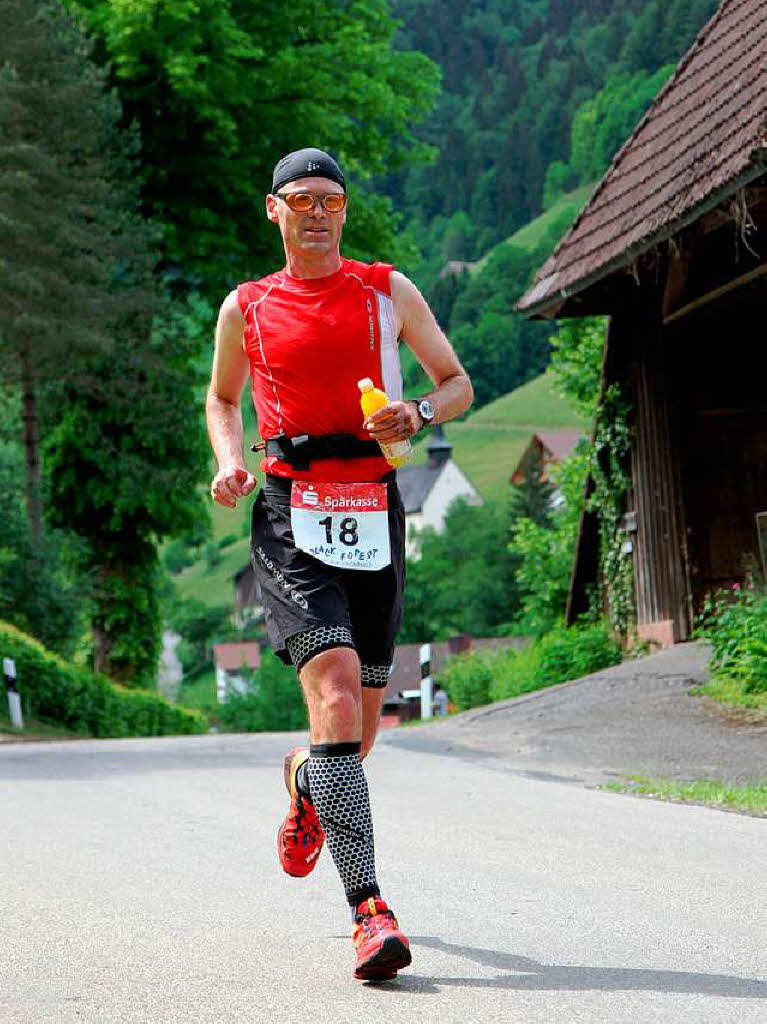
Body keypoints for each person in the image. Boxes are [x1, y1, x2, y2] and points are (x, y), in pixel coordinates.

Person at [206, 147, 472, 981]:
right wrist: (227, 459)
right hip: (291, 506)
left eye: (329, 200)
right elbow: (223, 397)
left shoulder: (386, 291)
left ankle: (304, 778)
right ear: (272, 211)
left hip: (373, 506)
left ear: (344, 213)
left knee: (352, 739)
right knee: (329, 683)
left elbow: (456, 382)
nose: (315, 212)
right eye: (299, 199)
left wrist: (416, 411)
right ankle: (370, 911)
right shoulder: (245, 306)